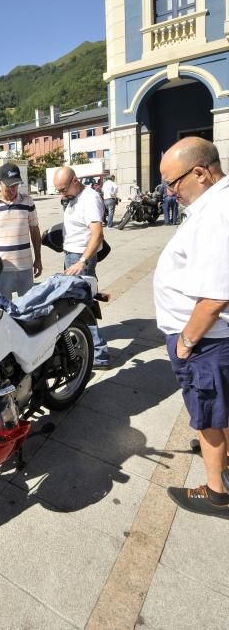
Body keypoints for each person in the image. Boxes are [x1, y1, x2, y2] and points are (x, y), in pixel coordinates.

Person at [154, 137, 229, 519]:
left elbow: (214, 298)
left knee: (209, 414)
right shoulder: (214, 204)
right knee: (218, 410)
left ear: (199, 173)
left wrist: (185, 341)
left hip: (205, 342)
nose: (169, 192)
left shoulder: (216, 213)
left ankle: (217, 492)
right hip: (210, 341)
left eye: (173, 182)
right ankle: (223, 462)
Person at [53, 166, 110, 369]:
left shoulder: (89, 198)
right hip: (73, 256)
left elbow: (97, 234)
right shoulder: (74, 197)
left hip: (80, 259)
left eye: (63, 189)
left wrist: (82, 261)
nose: (61, 194)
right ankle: (86, 343)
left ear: (75, 181)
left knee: (82, 306)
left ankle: (99, 353)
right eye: (58, 190)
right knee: (77, 304)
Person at [0, 162, 42, 299]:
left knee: (28, 307)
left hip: (25, 267)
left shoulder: (28, 202)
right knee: (4, 310)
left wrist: (38, 259)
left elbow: (35, 232)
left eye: (16, 185)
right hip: (1, 268)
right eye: (9, 186)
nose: (13, 189)